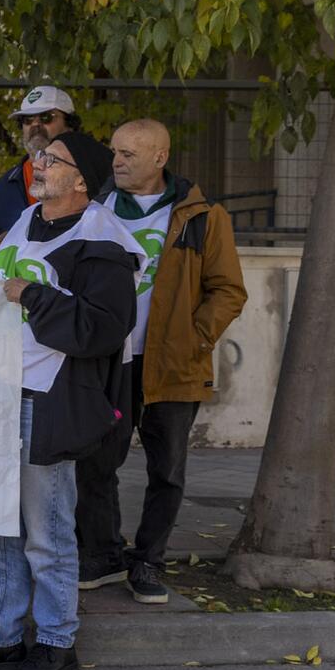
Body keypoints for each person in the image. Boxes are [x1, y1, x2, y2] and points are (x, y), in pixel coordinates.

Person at [0, 131, 140, 670]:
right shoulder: (27, 223)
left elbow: (103, 328)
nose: (39, 164)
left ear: (81, 180)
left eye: (52, 159)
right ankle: (2, 635)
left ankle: (56, 639)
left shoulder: (105, 243)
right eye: (38, 156)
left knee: (46, 528)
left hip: (49, 399)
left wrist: (32, 295)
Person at [75, 119, 247, 601]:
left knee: (166, 470)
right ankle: (104, 554)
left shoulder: (201, 215)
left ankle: (148, 561)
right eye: (115, 152)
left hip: (173, 365)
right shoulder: (97, 208)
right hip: (110, 362)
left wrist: (193, 339)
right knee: (94, 462)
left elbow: (228, 290)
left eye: (130, 153)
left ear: (160, 157)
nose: (118, 161)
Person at [0, 85, 79, 242]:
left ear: (70, 125)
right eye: (27, 120)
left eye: (46, 117)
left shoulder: (86, 176)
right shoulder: (6, 184)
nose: (35, 125)